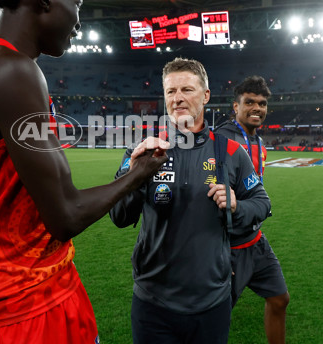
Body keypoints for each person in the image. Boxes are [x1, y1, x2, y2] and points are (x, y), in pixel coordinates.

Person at [0, 0, 168, 344]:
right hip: (25, 305)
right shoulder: (10, 71)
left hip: (30, 289)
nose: (79, 22)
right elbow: (65, 215)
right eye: (76, 6)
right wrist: (138, 173)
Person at [110, 58, 272, 344]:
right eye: (171, 91)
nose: (178, 98)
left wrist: (237, 205)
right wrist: (132, 176)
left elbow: (262, 203)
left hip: (211, 302)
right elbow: (119, 217)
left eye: (187, 89)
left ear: (206, 95)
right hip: (152, 301)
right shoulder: (144, 149)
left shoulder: (231, 151)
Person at [213, 75, 290, 344]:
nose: (257, 108)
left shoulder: (258, 142)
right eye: (249, 102)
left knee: (280, 299)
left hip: (255, 240)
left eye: (262, 103)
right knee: (214, 319)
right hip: (228, 246)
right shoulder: (220, 139)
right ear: (235, 106)